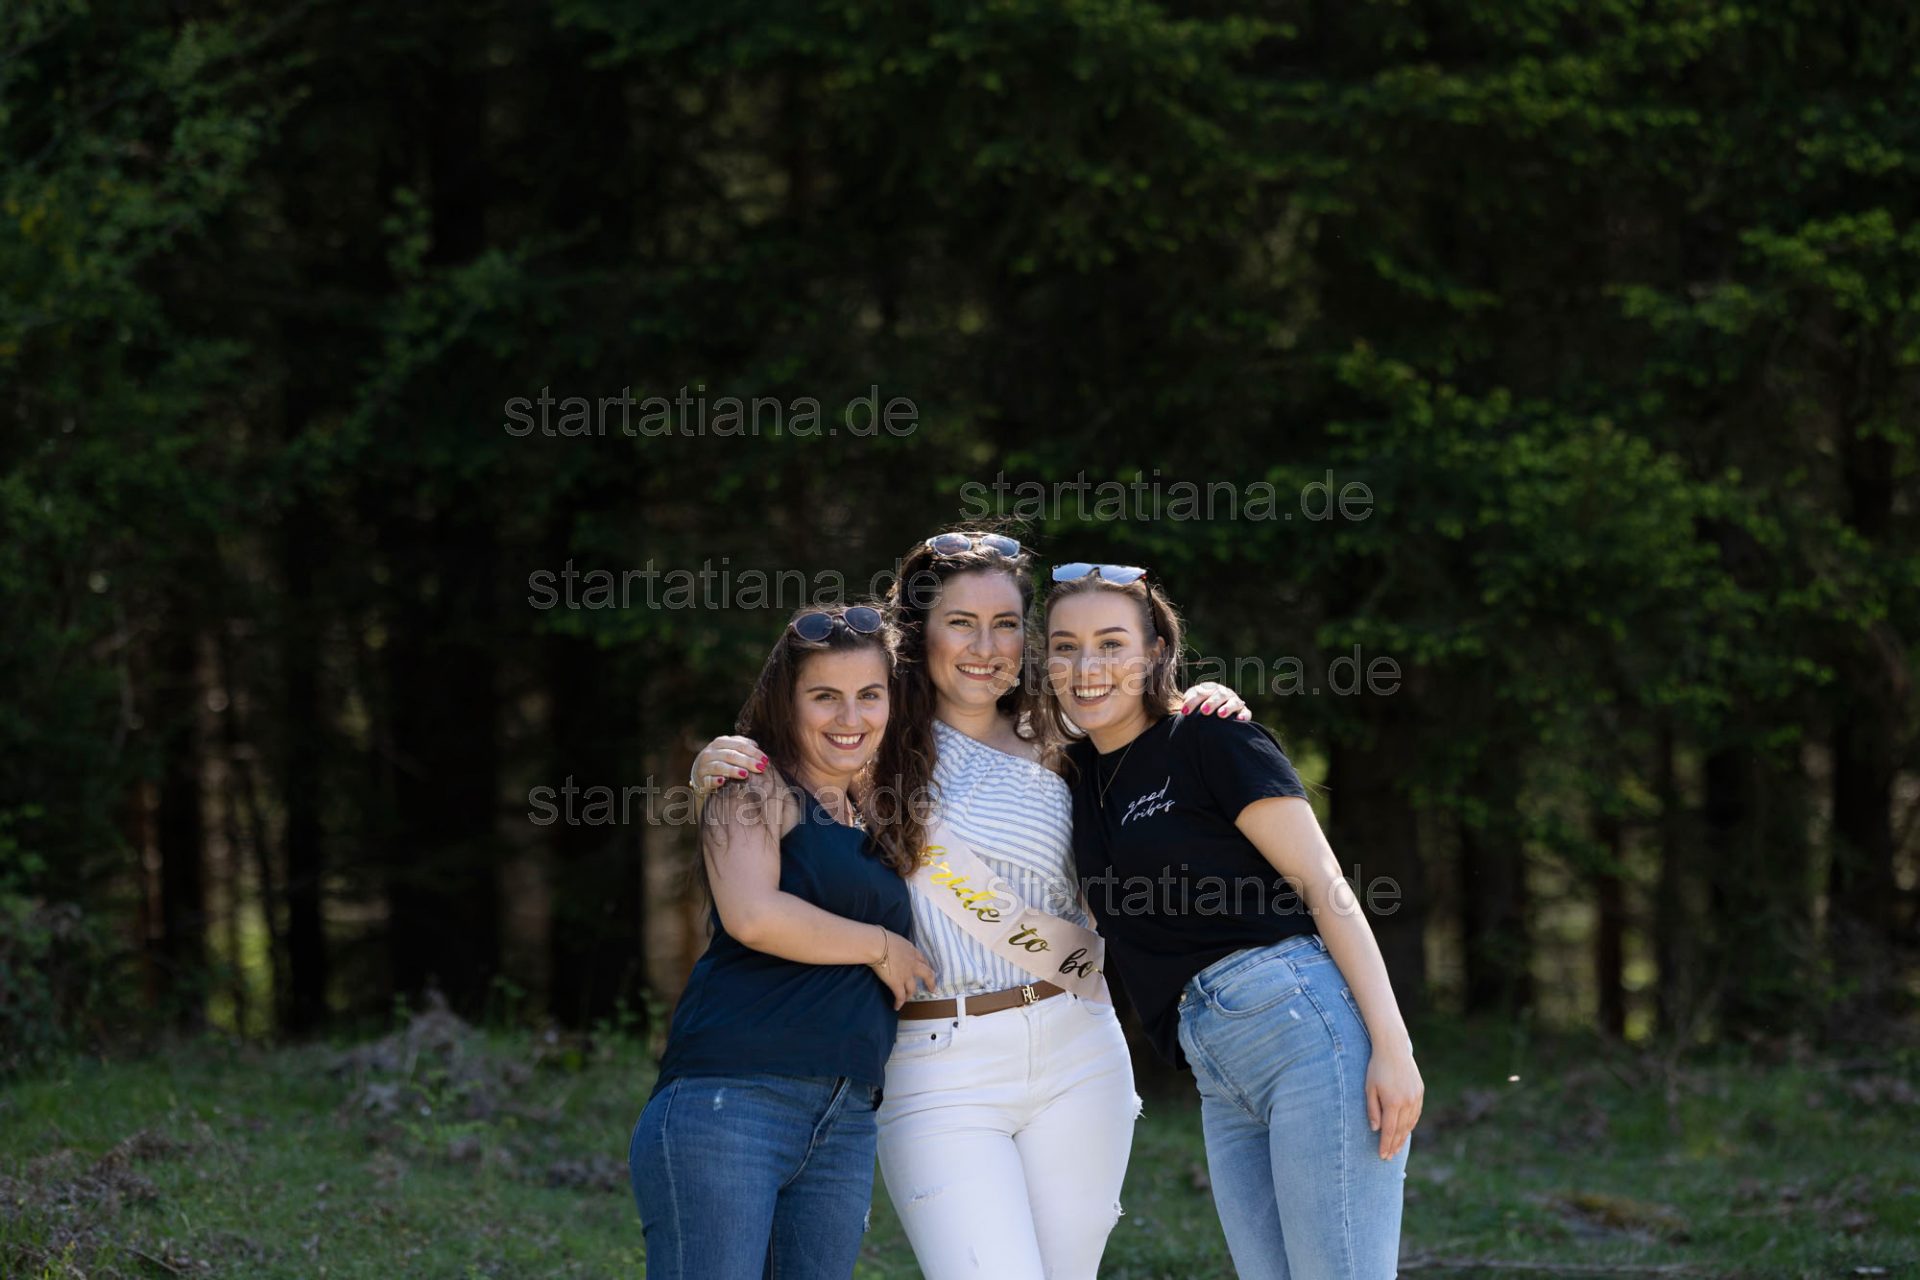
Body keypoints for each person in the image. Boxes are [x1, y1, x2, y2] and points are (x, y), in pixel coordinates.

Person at [690, 530, 1251, 1280]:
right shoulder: (870, 742)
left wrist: (1208, 703)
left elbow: (1170, 755)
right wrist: (713, 766)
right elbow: (778, 793)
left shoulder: (1068, 734)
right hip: (936, 1065)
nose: (986, 647)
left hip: (1079, 1047)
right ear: (919, 631)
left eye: (1006, 624)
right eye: (961, 622)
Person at [1044, 562, 1423, 1280]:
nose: (1087, 667)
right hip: (1214, 1067)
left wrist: (1393, 1048)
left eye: (1112, 643)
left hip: (1303, 1027)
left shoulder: (1209, 739)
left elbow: (1326, 888)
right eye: (1065, 647)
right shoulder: (1078, 778)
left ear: (1156, 652)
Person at [629, 603, 937, 1280]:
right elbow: (752, 916)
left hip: (845, 1115)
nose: (850, 717)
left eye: (869, 695)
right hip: (732, 1099)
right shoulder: (753, 783)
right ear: (786, 700)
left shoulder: (875, 813)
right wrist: (881, 945)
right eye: (825, 696)